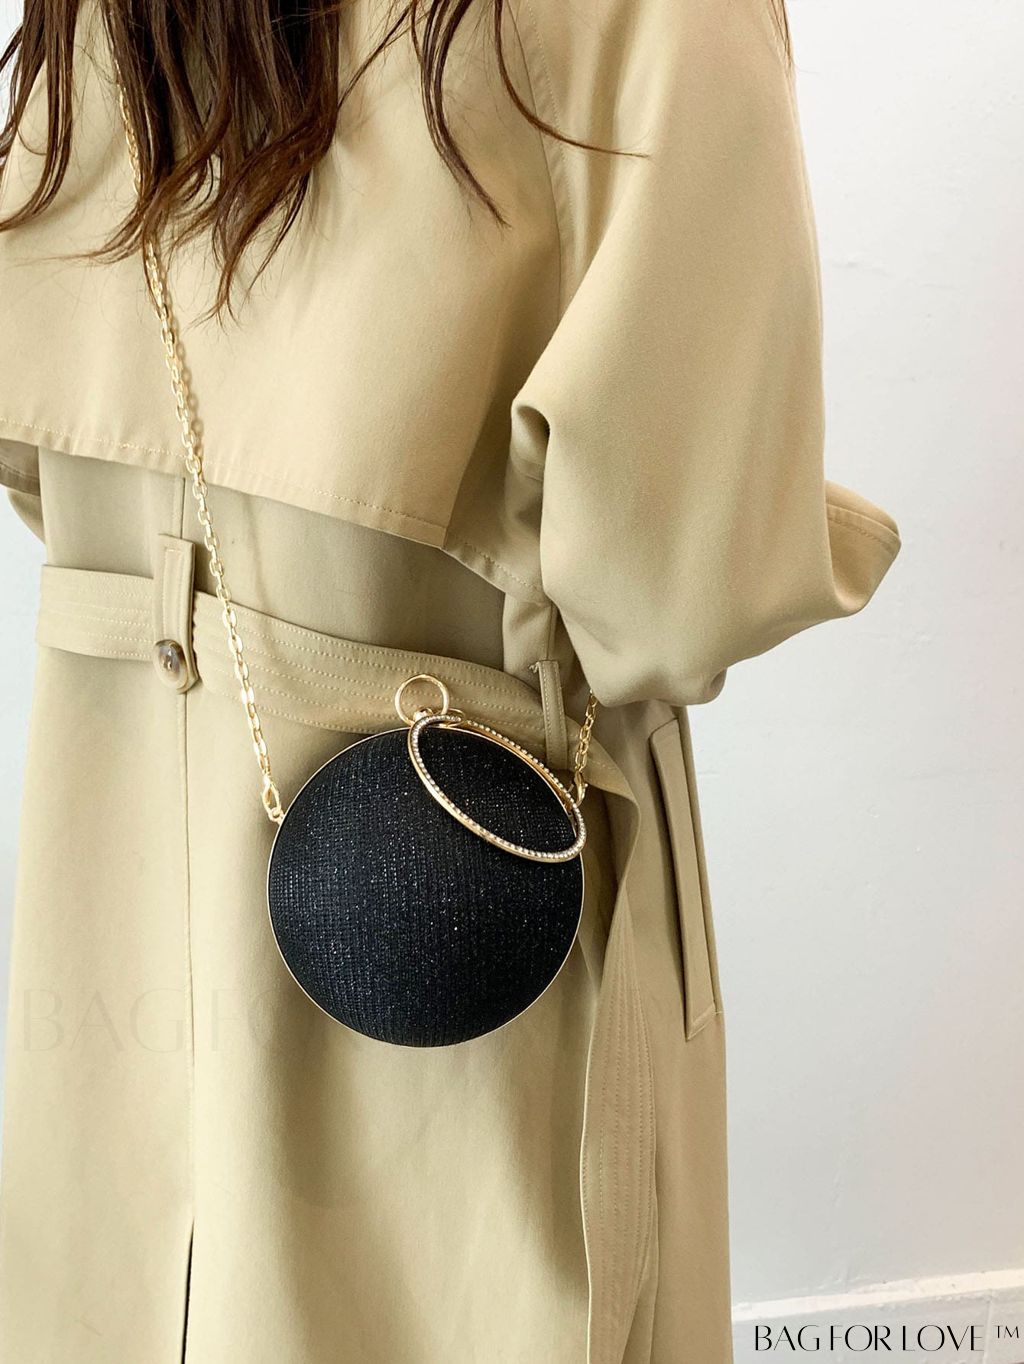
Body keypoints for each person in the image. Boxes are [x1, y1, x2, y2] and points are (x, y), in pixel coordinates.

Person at [0, 0, 902, 1359]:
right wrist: (827, 534)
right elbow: (679, 591)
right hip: (476, 878)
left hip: (113, 838)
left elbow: (43, 445)